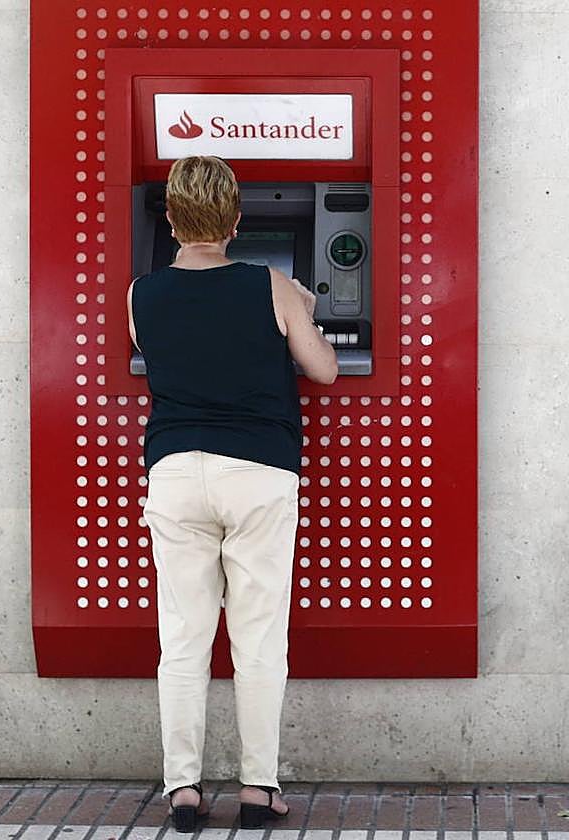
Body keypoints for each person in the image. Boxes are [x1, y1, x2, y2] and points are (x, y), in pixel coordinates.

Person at [126, 155, 337, 833]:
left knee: (183, 637)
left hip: (177, 473)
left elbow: (159, 351)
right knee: (257, 638)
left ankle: (183, 791)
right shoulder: (270, 285)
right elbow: (324, 371)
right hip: (258, 474)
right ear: (236, 220)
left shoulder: (142, 292)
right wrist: (302, 307)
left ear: (171, 221)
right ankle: (258, 789)